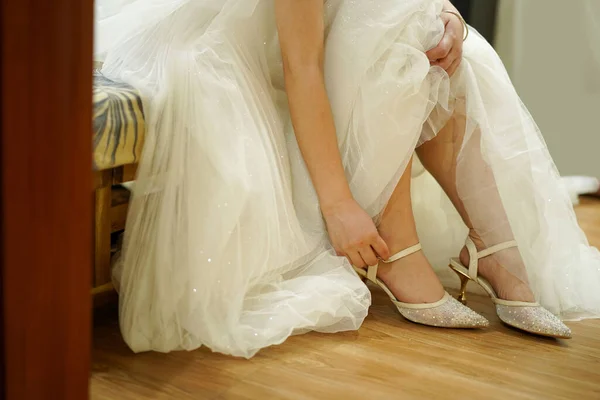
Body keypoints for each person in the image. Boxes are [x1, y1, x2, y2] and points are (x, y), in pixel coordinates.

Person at [95, 0, 600, 358]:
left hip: (337, 34)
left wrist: (446, 14)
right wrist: (339, 207)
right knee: (396, 29)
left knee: (438, 33)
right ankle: (396, 245)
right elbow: (302, 66)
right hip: (260, 47)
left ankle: (494, 246)